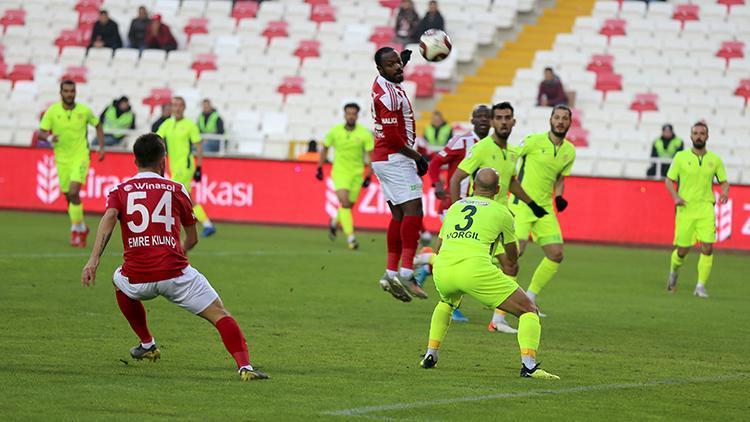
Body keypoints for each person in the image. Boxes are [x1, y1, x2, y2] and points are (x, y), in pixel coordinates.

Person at [80, 133, 268, 381]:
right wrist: (174, 253)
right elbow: (192, 239)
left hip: (138, 278)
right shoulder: (176, 189)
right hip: (176, 274)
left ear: (135, 160)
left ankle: (147, 342)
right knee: (220, 315)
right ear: (163, 162)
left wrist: (93, 260)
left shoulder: (120, 190)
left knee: (118, 280)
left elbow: (108, 220)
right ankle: (245, 367)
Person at [420, 168, 559, 379]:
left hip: (443, 269)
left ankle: (431, 353)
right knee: (529, 310)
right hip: (474, 270)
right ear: (498, 189)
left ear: (474, 187)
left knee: (446, 302)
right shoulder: (502, 211)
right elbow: (512, 257)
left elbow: (439, 246)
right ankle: (529, 366)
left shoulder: (456, 207)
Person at [448, 102, 549, 330]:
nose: (504, 121)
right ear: (493, 122)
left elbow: (512, 182)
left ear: (514, 122)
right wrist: (456, 210)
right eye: (500, 118)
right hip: (482, 220)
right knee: (503, 265)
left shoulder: (513, 152)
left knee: (510, 265)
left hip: (501, 220)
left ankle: (497, 320)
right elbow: (456, 178)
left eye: (508, 118)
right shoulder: (482, 148)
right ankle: (494, 318)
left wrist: (532, 204)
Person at [371, 46, 429, 301]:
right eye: (392, 65)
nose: (398, 67)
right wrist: (419, 158)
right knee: (414, 210)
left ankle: (391, 271)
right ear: (380, 69)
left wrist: (400, 60)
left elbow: (393, 70)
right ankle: (407, 271)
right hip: (395, 157)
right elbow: (395, 139)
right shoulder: (388, 97)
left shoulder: (384, 80)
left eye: (398, 63)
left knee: (398, 214)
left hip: (383, 158)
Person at [509, 105, 576, 313]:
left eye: (565, 118)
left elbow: (560, 178)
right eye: (557, 117)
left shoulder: (569, 151)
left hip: (544, 208)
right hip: (522, 205)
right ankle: (497, 308)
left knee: (556, 254)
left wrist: (559, 196)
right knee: (513, 255)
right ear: (550, 120)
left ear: (569, 123)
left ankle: (530, 298)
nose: (560, 121)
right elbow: (510, 157)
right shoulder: (533, 141)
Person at [665, 122, 729, 298]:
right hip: (685, 208)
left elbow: (723, 181)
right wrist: (676, 197)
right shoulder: (680, 157)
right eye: (696, 133)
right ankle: (673, 272)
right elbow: (669, 180)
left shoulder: (715, 160)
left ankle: (700, 286)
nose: (699, 136)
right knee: (682, 250)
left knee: (707, 247)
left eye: (702, 133)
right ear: (691, 136)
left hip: (706, 208)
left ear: (707, 136)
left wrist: (724, 192)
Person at [38, 80, 105, 248]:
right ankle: (81, 227)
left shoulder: (84, 110)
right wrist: (49, 137)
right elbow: (41, 132)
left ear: (75, 92)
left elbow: (97, 125)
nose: (69, 94)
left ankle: (76, 229)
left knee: (74, 191)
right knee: (68, 196)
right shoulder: (52, 112)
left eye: (72, 91)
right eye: (66, 91)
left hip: (81, 156)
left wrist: (102, 147)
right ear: (61, 93)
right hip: (62, 159)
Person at [316, 103, 374, 250]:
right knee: (345, 203)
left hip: (357, 174)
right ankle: (351, 238)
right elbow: (325, 148)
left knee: (347, 206)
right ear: (344, 114)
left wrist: (368, 176)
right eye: (348, 113)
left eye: (354, 113)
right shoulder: (335, 131)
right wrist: (319, 167)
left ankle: (335, 222)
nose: (351, 116)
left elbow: (371, 156)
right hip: (340, 173)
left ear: (357, 116)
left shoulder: (365, 134)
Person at [156, 97, 216, 237]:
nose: (176, 108)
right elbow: (156, 138)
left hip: (185, 166)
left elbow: (198, 147)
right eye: (174, 105)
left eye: (179, 105)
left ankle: (167, 227)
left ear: (184, 108)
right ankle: (207, 224)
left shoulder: (190, 125)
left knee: (171, 194)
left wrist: (199, 167)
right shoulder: (167, 124)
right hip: (173, 166)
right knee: (186, 197)